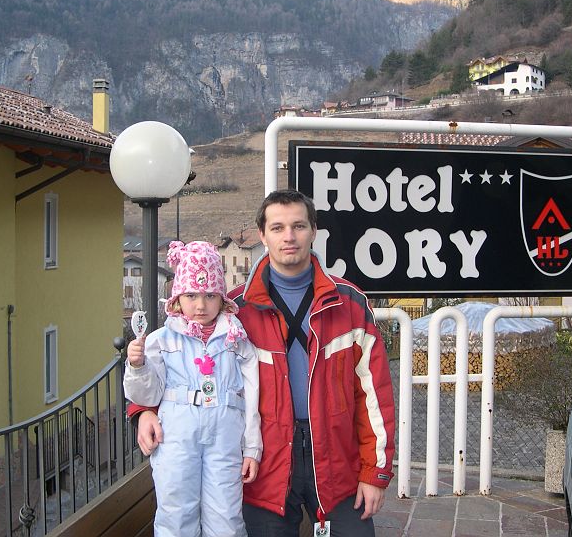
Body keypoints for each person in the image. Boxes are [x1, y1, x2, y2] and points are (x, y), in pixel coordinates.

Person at [131, 189, 395, 537]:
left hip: (336, 463)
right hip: (265, 466)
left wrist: (374, 473)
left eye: (298, 226)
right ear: (263, 234)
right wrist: (143, 410)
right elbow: (180, 356)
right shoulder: (232, 310)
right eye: (278, 227)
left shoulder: (349, 303)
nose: (289, 236)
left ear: (314, 231)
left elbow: (374, 395)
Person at [124, 240, 261, 537]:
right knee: (176, 513)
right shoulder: (161, 340)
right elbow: (146, 395)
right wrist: (138, 367)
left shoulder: (237, 340)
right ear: (177, 298)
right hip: (176, 437)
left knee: (226, 516)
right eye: (191, 295)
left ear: (221, 298)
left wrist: (252, 447)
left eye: (210, 295)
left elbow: (251, 399)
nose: (201, 305)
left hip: (225, 437)